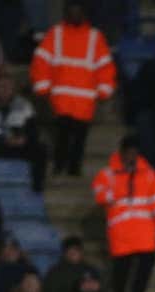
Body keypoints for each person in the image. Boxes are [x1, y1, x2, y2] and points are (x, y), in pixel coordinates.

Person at [30, 1, 115, 177]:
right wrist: (43, 87)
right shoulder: (57, 34)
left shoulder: (94, 37)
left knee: (79, 139)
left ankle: (72, 169)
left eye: (78, 11)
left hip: (83, 100)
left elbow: (104, 66)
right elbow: (41, 61)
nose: (75, 15)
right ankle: (61, 167)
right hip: (62, 100)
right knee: (62, 137)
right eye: (72, 11)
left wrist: (104, 89)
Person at [92, 136, 155, 292]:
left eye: (134, 153)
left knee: (144, 269)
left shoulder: (149, 174)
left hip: (144, 232)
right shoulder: (108, 174)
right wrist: (113, 195)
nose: (131, 156)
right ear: (122, 153)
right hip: (121, 232)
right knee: (121, 271)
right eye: (128, 153)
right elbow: (100, 193)